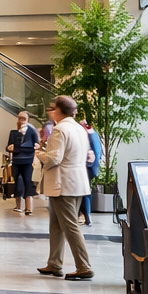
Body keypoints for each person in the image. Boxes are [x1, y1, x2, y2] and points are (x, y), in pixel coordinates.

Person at [35, 95, 93, 280]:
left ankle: (84, 266)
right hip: (77, 181)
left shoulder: (60, 129)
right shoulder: (79, 128)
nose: (51, 111)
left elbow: (54, 158)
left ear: (59, 110)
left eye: (52, 108)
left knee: (70, 225)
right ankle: (54, 263)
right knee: (57, 224)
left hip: (63, 184)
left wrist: (39, 153)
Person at [6, 110, 40, 216]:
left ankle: (28, 208)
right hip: (17, 160)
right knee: (18, 182)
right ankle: (18, 206)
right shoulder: (13, 133)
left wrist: (36, 148)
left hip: (27, 160)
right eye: (20, 118)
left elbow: (37, 144)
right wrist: (9, 148)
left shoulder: (31, 132)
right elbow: (8, 146)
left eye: (24, 119)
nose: (21, 121)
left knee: (27, 181)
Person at [79, 117, 103, 224]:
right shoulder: (92, 134)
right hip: (87, 167)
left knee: (84, 192)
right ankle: (85, 215)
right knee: (86, 192)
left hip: (86, 167)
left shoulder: (88, 134)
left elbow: (96, 153)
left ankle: (85, 215)